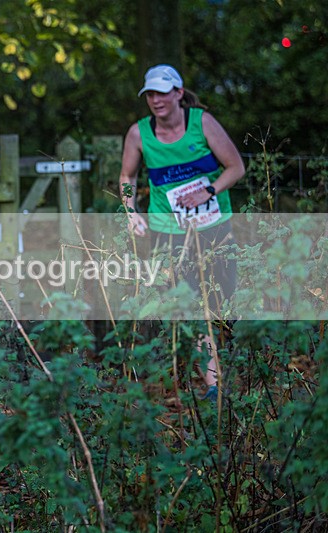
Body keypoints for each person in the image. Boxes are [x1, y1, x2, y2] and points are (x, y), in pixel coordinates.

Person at [118, 64, 245, 401]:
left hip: (214, 225)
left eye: (162, 92)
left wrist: (210, 190)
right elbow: (127, 177)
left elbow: (237, 167)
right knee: (190, 304)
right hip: (167, 230)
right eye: (150, 95)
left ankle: (239, 368)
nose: (156, 100)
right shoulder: (138, 133)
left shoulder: (201, 122)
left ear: (177, 93)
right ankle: (214, 385)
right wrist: (130, 212)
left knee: (225, 301)